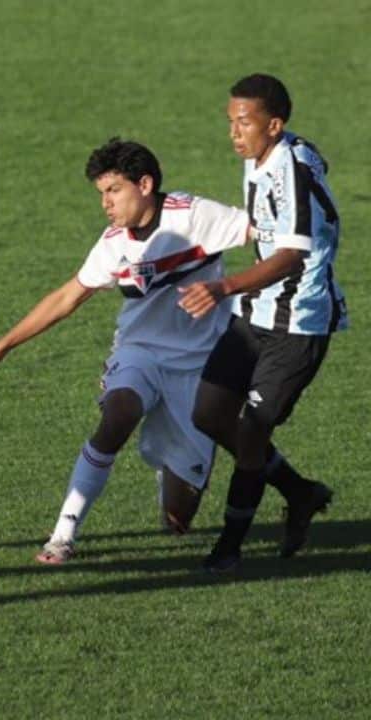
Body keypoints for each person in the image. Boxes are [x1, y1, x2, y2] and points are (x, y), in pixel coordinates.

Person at [0, 138, 255, 564]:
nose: (105, 203)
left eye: (113, 190)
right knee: (118, 414)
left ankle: (171, 463)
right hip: (139, 353)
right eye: (101, 193)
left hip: (195, 370)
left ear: (145, 184)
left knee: (178, 521)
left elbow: (265, 234)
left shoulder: (195, 216)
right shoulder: (114, 241)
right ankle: (62, 536)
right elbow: (68, 296)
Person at [179, 74, 345, 571]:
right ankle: (299, 492)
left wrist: (221, 286)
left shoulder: (288, 168)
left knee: (251, 430)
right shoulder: (263, 156)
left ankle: (228, 549)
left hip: (297, 324)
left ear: (274, 125)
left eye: (244, 123)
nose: (234, 132)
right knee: (209, 414)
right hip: (254, 313)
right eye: (230, 121)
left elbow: (293, 255)